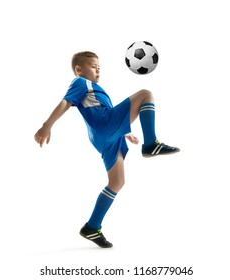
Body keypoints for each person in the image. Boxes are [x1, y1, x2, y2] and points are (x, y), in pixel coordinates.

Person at [34, 51, 179, 248]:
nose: (98, 71)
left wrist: (125, 133)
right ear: (79, 70)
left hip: (104, 136)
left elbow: (99, 109)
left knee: (117, 181)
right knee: (146, 95)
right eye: (94, 67)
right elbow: (65, 103)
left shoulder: (94, 89)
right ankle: (151, 143)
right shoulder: (80, 82)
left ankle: (92, 227)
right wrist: (47, 124)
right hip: (105, 124)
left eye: (99, 68)